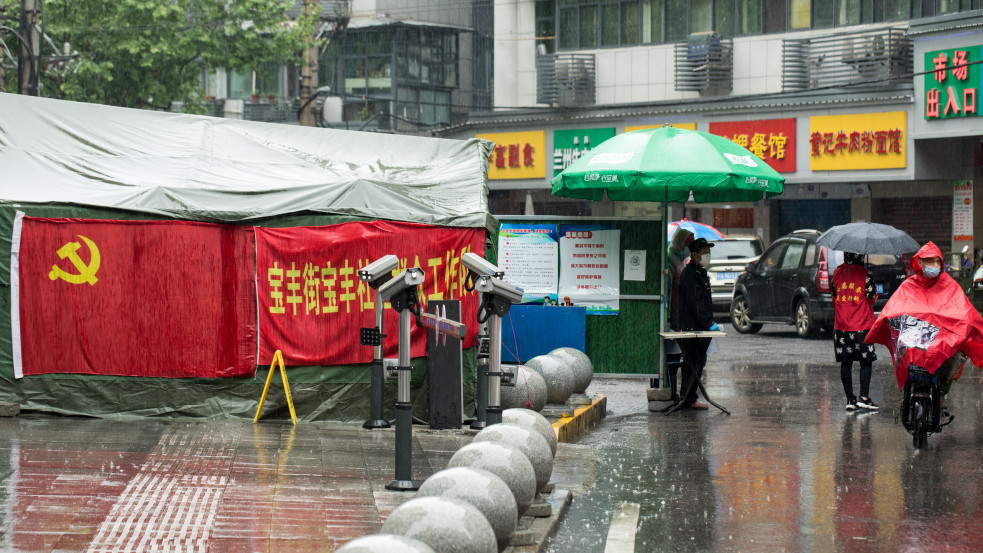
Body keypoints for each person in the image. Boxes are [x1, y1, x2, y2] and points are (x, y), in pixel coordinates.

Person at [866, 242, 983, 413]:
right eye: (930, 261)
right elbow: (895, 307)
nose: (934, 266)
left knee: (957, 356)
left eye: (937, 262)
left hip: (944, 338)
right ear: (920, 263)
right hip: (916, 335)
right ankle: (908, 391)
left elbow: (963, 311)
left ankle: (941, 392)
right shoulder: (909, 285)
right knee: (904, 350)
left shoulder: (949, 285)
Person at [831, 251, 878, 411]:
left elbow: (834, 294)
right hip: (862, 325)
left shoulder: (837, 272)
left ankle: (850, 399)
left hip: (842, 325)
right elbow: (871, 297)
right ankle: (864, 397)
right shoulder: (866, 274)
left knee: (846, 362)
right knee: (866, 361)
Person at [677, 237, 717, 410]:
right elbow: (696, 304)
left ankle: (689, 397)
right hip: (693, 328)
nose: (707, 256)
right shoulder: (691, 275)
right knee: (693, 362)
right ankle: (688, 398)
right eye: (704, 253)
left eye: (709, 252)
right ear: (694, 255)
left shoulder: (700, 272)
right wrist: (708, 323)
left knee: (697, 361)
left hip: (699, 327)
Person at [666, 228, 694, 331]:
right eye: (688, 245)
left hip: (679, 312)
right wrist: (667, 316)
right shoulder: (670, 259)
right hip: (673, 314)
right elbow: (667, 288)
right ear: (680, 243)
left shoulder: (680, 260)